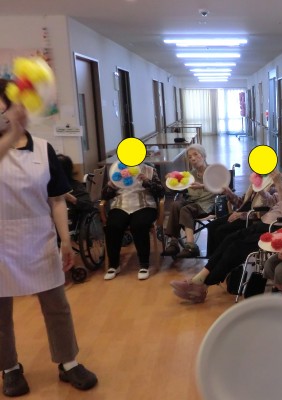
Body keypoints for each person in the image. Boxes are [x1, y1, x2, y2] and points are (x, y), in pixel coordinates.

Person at [0, 79, 97, 397]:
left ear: (16, 107)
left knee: (57, 305)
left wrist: (65, 241)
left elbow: (56, 199)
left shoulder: (43, 148)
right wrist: (12, 134)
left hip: (38, 237)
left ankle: (68, 362)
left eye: (3, 109)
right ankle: (9, 368)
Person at [170, 146, 282, 303]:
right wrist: (260, 190)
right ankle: (199, 280)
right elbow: (273, 203)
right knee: (229, 239)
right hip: (266, 221)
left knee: (236, 247)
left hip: (280, 230)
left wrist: (278, 185)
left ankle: (200, 284)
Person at [101, 161, 165, 280]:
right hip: (121, 205)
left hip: (145, 205)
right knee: (113, 225)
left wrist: (147, 181)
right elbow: (104, 196)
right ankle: (114, 265)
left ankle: (144, 264)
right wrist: (110, 186)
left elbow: (161, 192)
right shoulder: (116, 170)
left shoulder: (149, 170)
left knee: (139, 225)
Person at [162, 144, 216, 258]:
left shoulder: (213, 171)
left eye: (196, 154)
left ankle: (191, 246)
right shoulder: (190, 175)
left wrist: (202, 185)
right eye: (190, 157)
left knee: (186, 209)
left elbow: (220, 187)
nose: (193, 158)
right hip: (192, 202)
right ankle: (174, 243)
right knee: (175, 204)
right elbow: (177, 188)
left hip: (206, 205)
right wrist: (171, 179)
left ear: (203, 155)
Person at [203, 176, 275, 258]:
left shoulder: (272, 184)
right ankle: (211, 260)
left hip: (252, 219)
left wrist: (241, 215)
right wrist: (229, 193)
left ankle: (221, 260)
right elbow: (241, 203)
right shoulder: (255, 181)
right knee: (212, 226)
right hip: (241, 214)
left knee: (221, 231)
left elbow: (266, 212)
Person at [57, 154, 94, 230]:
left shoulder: (76, 186)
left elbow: (89, 206)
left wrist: (72, 199)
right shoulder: (48, 186)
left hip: (68, 222)